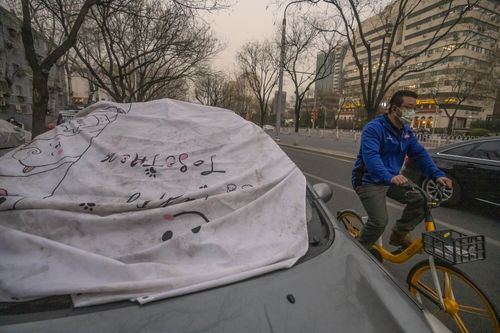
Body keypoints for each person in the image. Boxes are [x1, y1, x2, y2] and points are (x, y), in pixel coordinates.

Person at [351, 90, 452, 250]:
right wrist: (388, 177)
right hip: (368, 180)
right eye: (408, 107)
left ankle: (398, 234)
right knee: (378, 222)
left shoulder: (406, 131)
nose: (412, 112)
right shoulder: (374, 128)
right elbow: (371, 157)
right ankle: (357, 251)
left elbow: (419, 154)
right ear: (393, 108)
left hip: (391, 179)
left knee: (423, 200)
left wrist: (437, 174)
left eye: (414, 108)